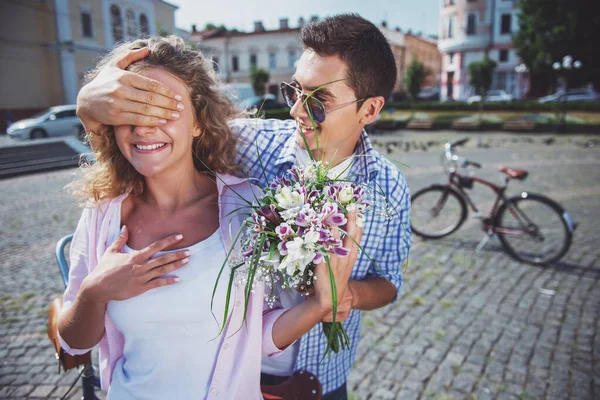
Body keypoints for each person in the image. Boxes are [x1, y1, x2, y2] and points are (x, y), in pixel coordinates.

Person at [76, 14, 411, 400]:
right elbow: (169, 131)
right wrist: (88, 108)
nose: (297, 112)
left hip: (320, 373)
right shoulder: (247, 143)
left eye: (319, 102)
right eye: (295, 91)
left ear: (369, 110)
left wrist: (341, 294)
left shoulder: (388, 187)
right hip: (231, 365)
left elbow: (388, 283)